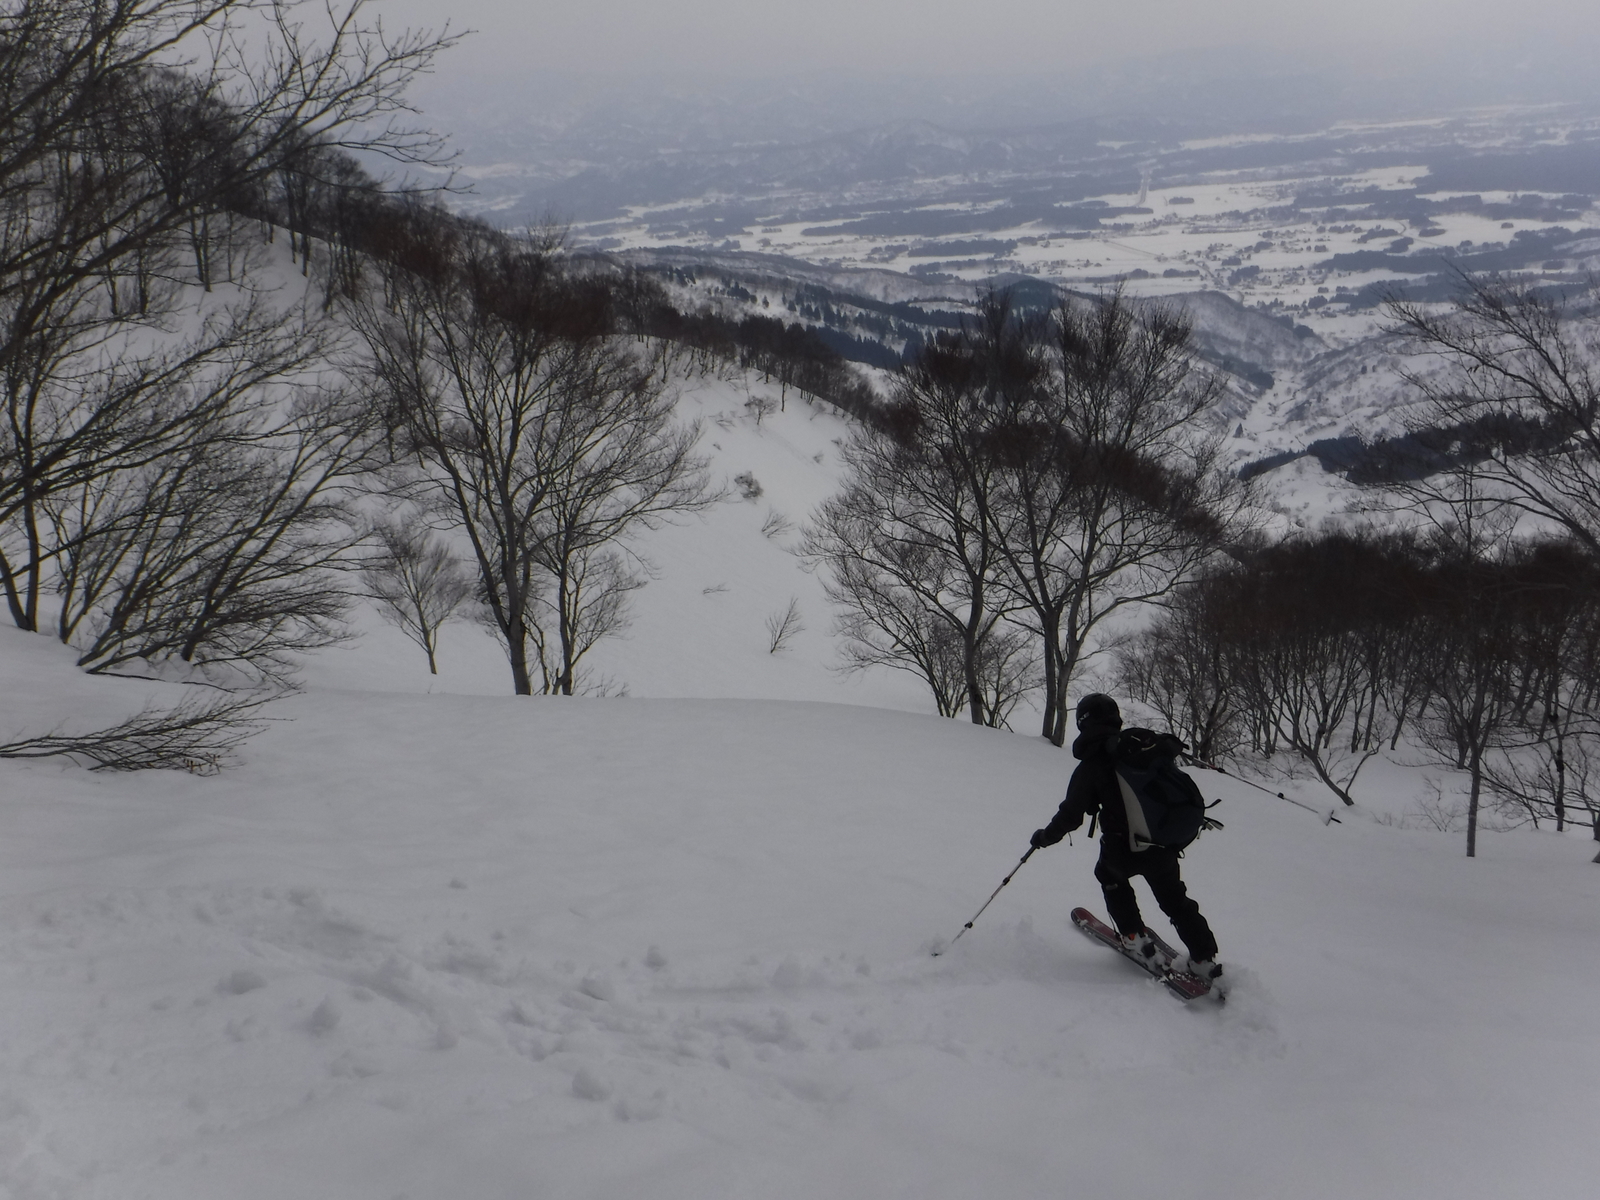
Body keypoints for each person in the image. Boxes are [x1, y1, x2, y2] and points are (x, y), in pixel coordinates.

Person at [1029, 693, 1225, 990]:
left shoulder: (1093, 765)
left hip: (1124, 848)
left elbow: (1071, 815)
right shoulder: (1140, 749)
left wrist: (1044, 837)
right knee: (1175, 899)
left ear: (1084, 722)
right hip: (1163, 844)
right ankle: (1204, 958)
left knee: (1109, 876)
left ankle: (1133, 937)